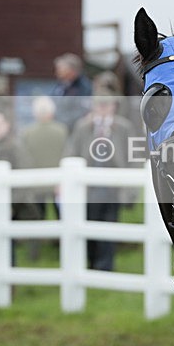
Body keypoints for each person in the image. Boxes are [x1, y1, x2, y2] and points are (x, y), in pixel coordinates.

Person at [62, 92, 136, 271]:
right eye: (99, 105)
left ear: (113, 107)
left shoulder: (123, 127)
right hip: (88, 188)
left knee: (109, 227)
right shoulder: (83, 127)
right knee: (88, 225)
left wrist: (130, 187)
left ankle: (105, 267)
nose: (102, 109)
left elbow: (133, 156)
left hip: (113, 187)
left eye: (106, 105)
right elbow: (71, 152)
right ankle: (92, 264)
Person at [21, 96, 68, 260]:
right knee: (62, 218)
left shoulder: (27, 132)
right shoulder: (62, 131)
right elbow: (66, 154)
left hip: (36, 184)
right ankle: (64, 251)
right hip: (57, 184)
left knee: (36, 219)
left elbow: (25, 159)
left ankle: (33, 254)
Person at [50, 52, 93, 131]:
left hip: (73, 129)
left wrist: (62, 122)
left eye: (60, 69)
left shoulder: (84, 87)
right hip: (58, 126)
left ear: (71, 70)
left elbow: (83, 111)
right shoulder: (61, 84)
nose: (57, 72)